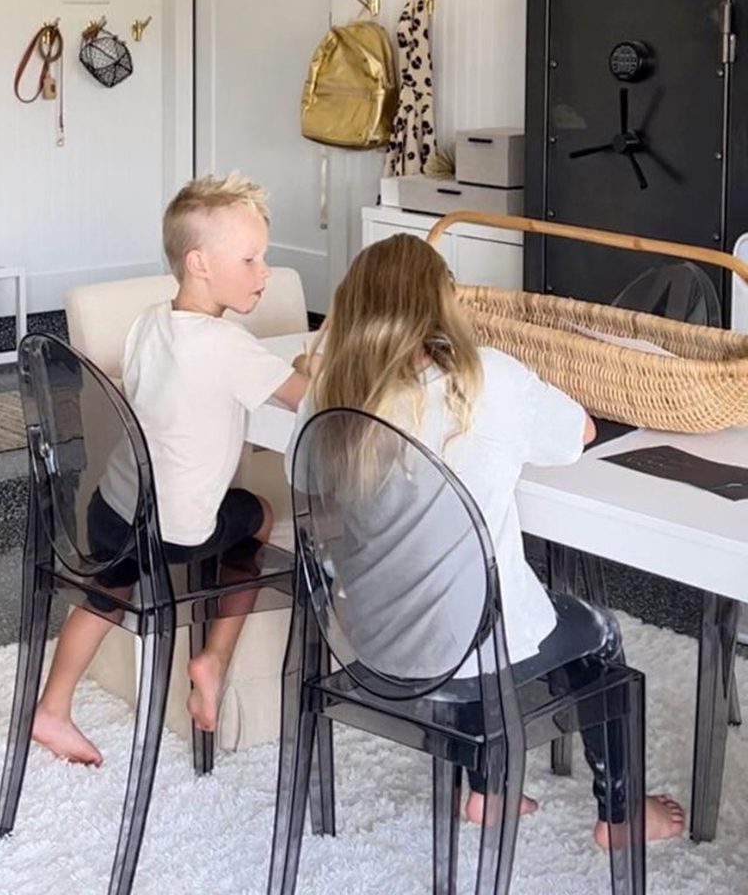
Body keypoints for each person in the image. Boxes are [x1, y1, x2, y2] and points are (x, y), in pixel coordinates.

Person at [289, 233, 684, 847]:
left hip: (368, 640)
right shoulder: (489, 378)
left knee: (464, 608)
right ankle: (621, 815)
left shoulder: (330, 394)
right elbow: (577, 431)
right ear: (446, 305)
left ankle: (487, 790)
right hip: (467, 659)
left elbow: (302, 473)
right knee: (598, 633)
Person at [32, 173, 307, 765]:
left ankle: (51, 709)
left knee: (109, 590)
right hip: (177, 532)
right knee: (257, 515)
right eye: (251, 258)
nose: (264, 272)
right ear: (199, 262)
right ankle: (212, 660)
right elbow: (310, 397)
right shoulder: (229, 348)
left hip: (114, 510)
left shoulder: (149, 321)